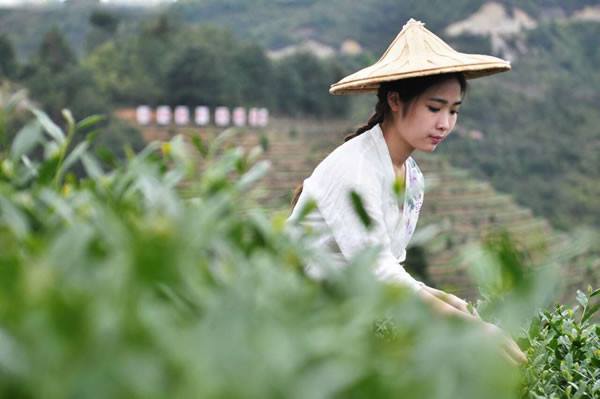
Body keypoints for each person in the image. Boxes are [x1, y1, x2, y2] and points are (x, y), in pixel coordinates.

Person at [287, 19, 527, 364]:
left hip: (341, 327)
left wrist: (444, 298)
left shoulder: (410, 178)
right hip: (295, 330)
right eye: (434, 108)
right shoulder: (354, 169)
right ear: (395, 100)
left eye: (453, 111)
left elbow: (388, 267)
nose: (444, 123)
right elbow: (378, 272)